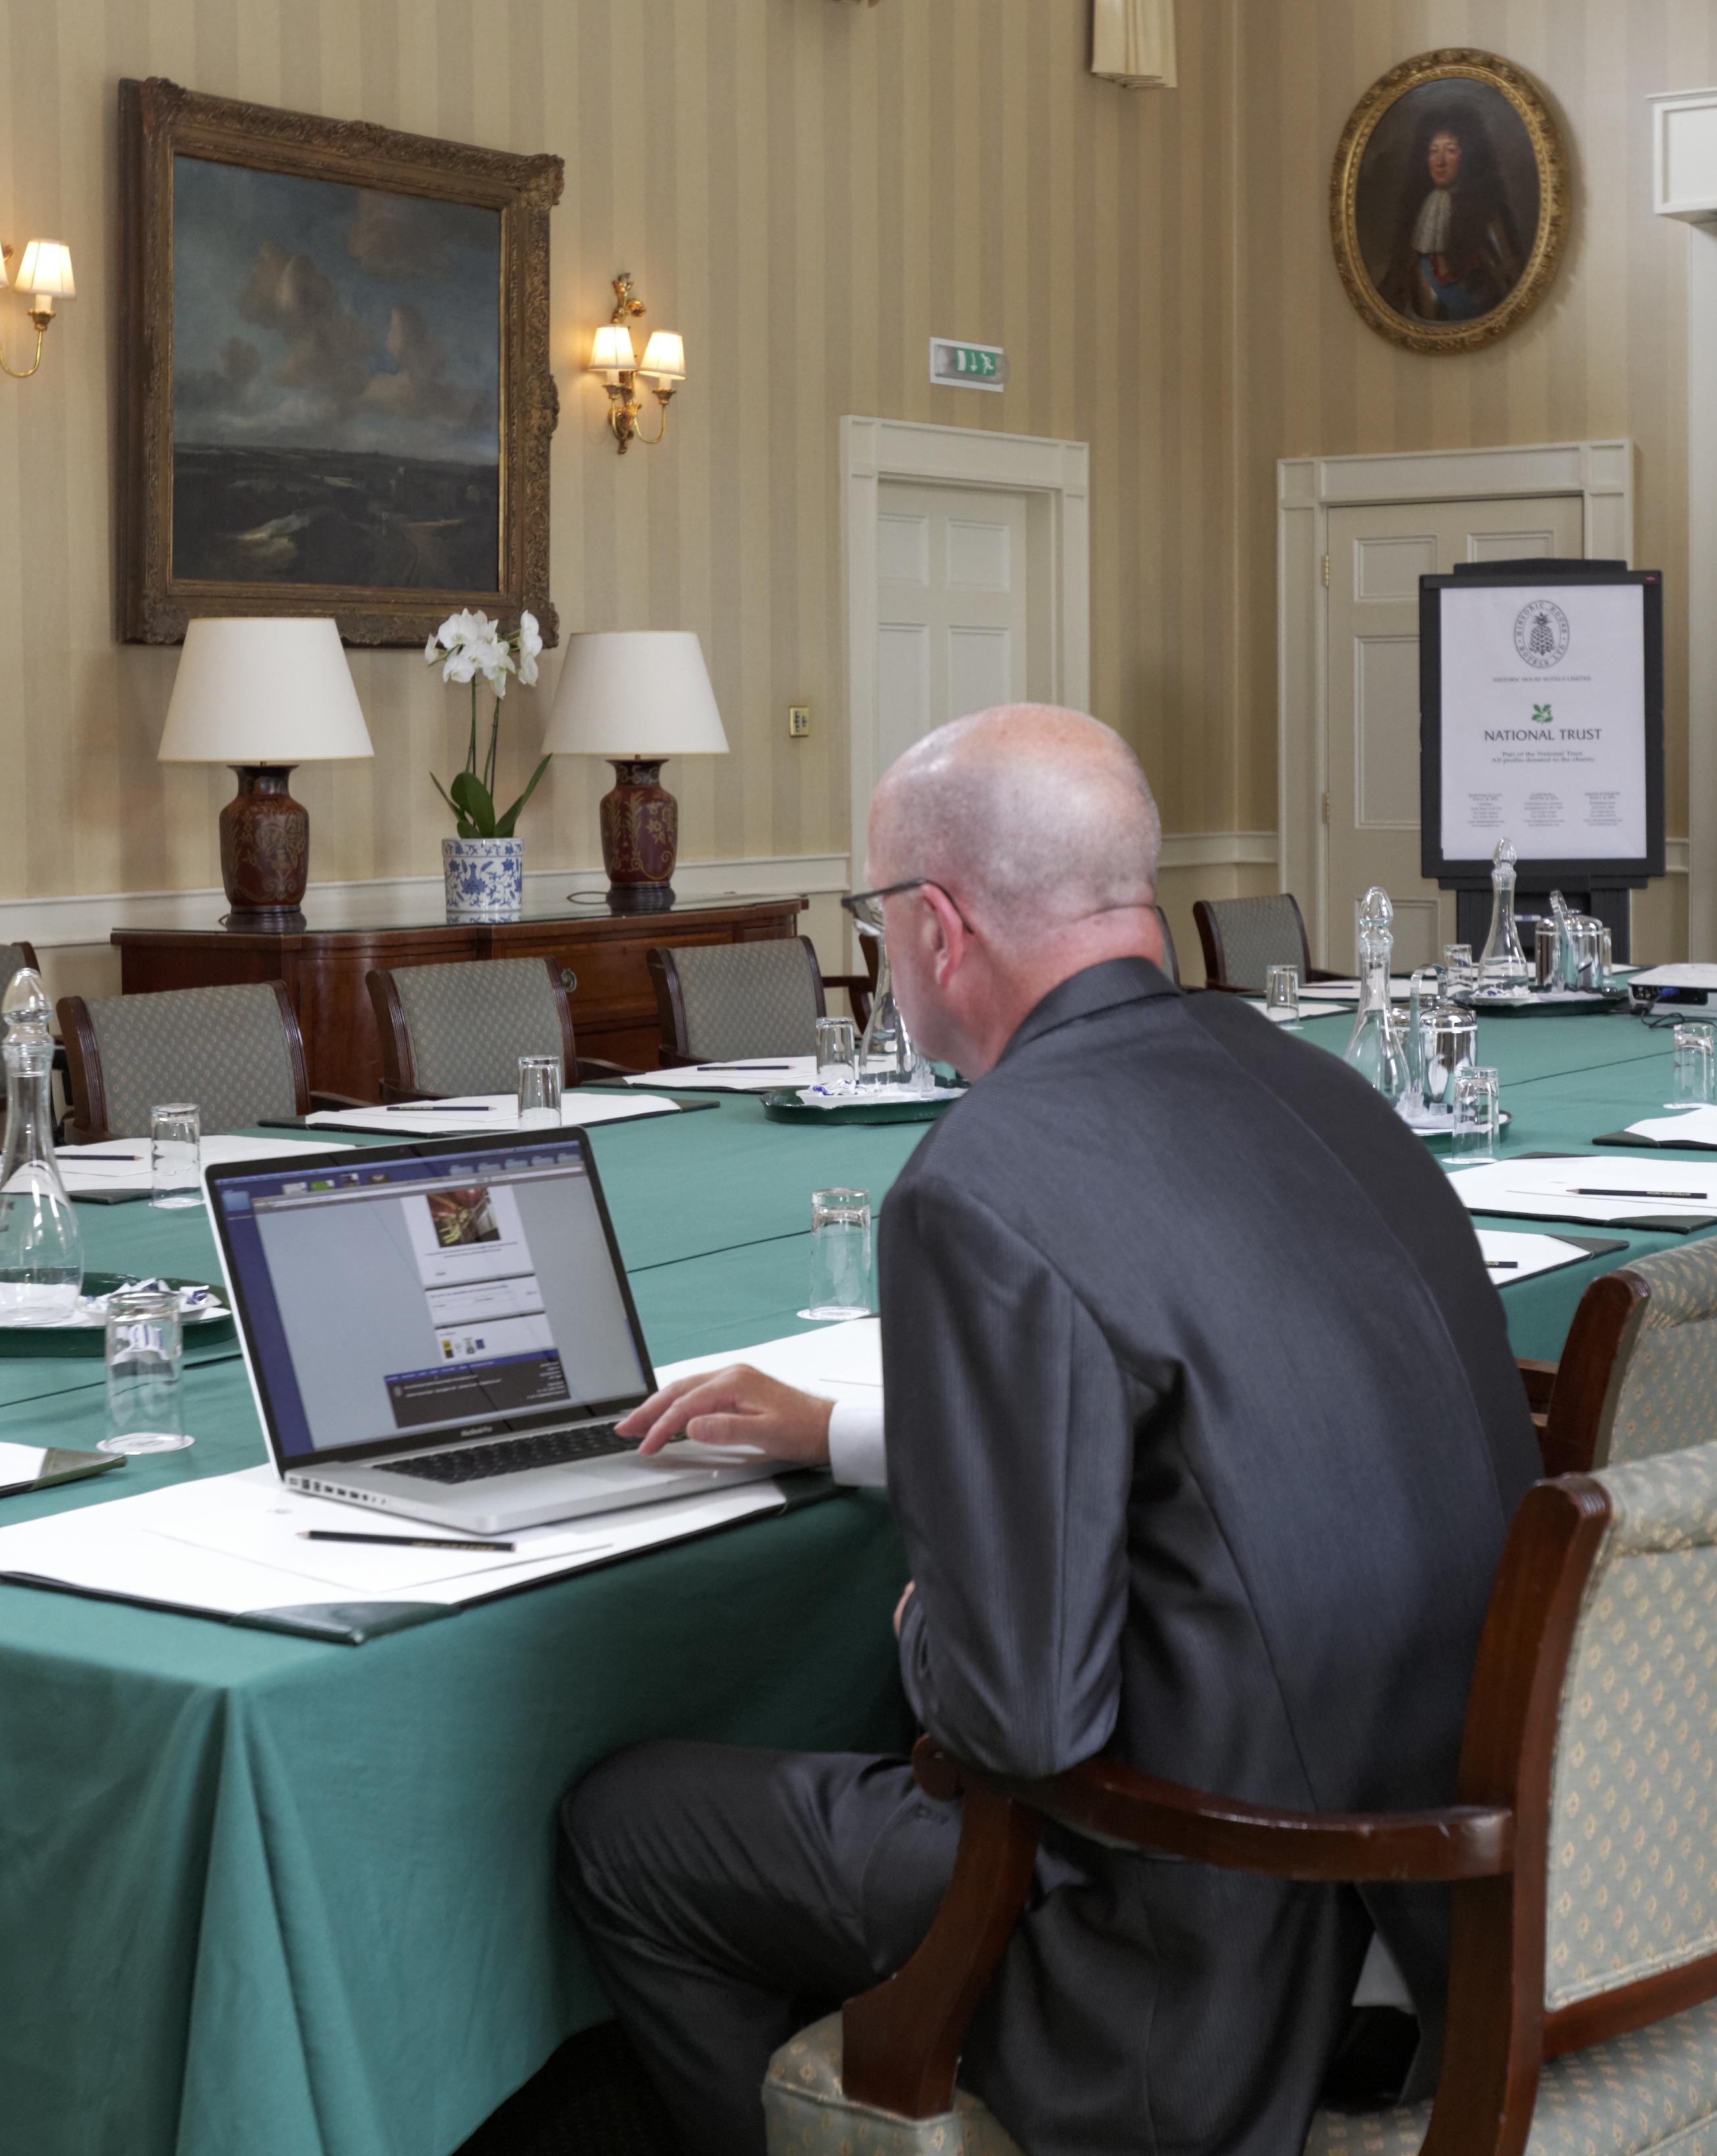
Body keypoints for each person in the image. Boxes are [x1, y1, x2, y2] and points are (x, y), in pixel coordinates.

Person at [561, 704, 1540, 2156]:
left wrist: (921, 1626)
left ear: (938, 928)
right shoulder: (1317, 1085)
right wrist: (865, 1452)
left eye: (875, 917)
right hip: (1450, 1892)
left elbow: (1017, 1721)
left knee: (628, 1823)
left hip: (1203, 1944)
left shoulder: (979, 1185)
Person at [1373, 114, 1520, 323]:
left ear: (1467, 156)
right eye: (1433, 151)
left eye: (1451, 150)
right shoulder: (1417, 212)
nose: (1440, 162)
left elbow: (1510, 284)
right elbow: (1397, 283)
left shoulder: (1489, 215)